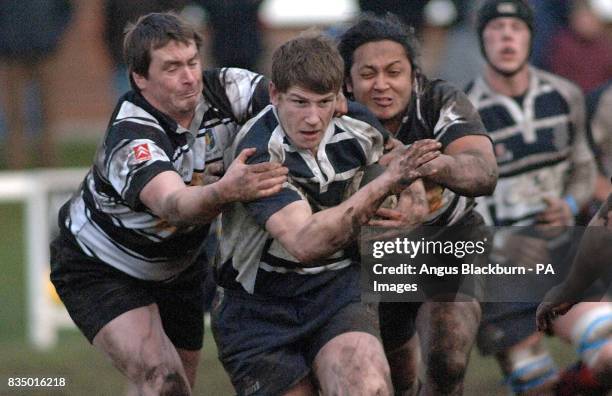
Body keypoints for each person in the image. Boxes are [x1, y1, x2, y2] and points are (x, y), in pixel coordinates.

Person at [49, 12, 289, 395]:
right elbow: (174, 204)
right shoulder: (132, 137)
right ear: (139, 77)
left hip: (179, 269)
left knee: (172, 386)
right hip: (101, 268)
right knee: (164, 380)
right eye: (172, 67)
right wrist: (228, 190)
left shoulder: (225, 88)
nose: (190, 76)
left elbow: (294, 99)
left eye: (193, 62)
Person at [212, 32, 443, 395]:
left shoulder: (360, 124)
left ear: (339, 97)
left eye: (324, 102)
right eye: (299, 102)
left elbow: (399, 158)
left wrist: (413, 203)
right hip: (258, 308)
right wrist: (386, 185)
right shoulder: (258, 154)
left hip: (337, 290)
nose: (313, 119)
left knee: (365, 386)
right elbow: (305, 242)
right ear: (274, 94)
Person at [338, 13, 498, 395]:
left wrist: (423, 163)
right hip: (371, 254)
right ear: (347, 81)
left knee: (448, 358)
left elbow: (484, 172)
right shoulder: (330, 117)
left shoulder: (440, 101)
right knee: (397, 377)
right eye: (368, 74)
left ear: (413, 75)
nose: (382, 85)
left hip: (448, 240)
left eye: (394, 72)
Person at [466, 1, 611, 394]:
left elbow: (584, 170)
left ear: (532, 37)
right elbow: (454, 204)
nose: (507, 37)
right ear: (482, 40)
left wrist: (566, 206)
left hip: (563, 256)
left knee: (609, 359)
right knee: (536, 386)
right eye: (497, 29)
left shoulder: (564, 95)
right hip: (500, 273)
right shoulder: (460, 113)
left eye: (516, 27)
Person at [0, 0, 73, 168]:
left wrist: (54, 36)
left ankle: (48, 164)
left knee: (46, 112)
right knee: (15, 113)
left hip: (45, 52)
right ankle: (17, 165)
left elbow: (66, 11)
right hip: (12, 54)